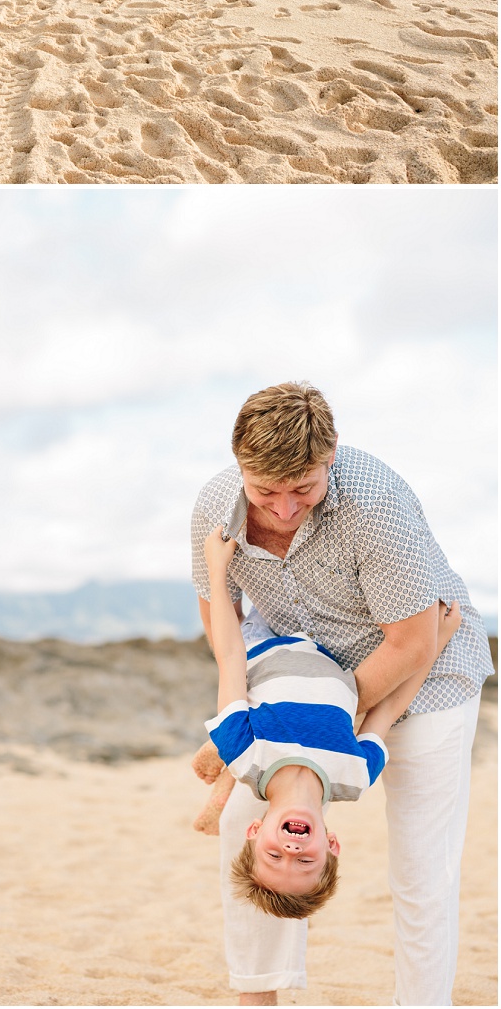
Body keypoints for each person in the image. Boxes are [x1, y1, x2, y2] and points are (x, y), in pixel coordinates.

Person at [190, 383, 493, 1007]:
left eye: (302, 489)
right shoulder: (214, 511)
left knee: (422, 873)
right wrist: (308, 714)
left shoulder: (376, 503)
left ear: (330, 459)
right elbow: (220, 621)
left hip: (425, 674)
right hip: (308, 688)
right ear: (240, 468)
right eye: (264, 491)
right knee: (241, 835)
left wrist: (319, 716)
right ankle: (258, 995)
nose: (282, 509)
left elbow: (411, 644)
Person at [202, 526, 462, 921]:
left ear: (254, 833)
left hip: (263, 637)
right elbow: (387, 710)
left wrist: (215, 572)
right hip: (333, 648)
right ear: (331, 845)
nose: (291, 853)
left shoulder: (245, 755)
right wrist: (433, 642)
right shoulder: (354, 776)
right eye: (305, 864)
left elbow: (231, 655)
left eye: (274, 856)